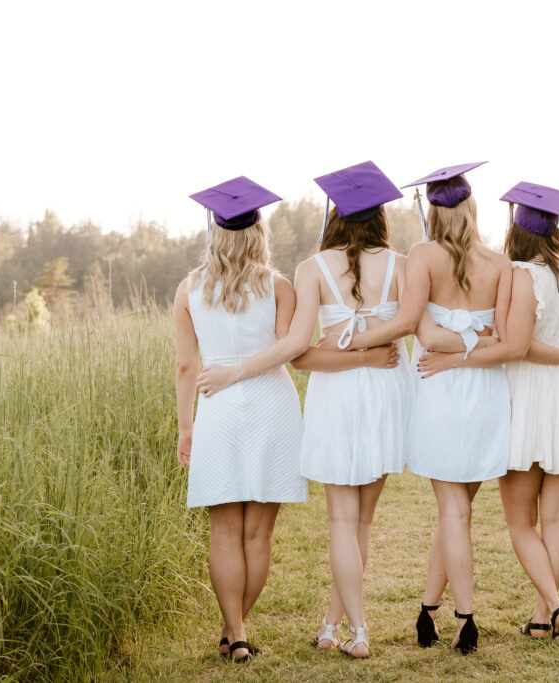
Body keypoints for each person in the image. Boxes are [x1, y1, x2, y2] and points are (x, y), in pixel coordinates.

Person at [197, 161, 412, 659]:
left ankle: (350, 628)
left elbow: (299, 354)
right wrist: (372, 352)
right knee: (362, 524)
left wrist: (347, 350)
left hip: (335, 395)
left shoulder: (311, 269)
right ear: (381, 214)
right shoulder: (402, 265)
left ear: (334, 214)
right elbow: (410, 326)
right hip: (385, 392)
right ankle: (335, 625)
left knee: (342, 520)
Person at [417, 181, 559, 644]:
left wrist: (451, 356)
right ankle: (542, 617)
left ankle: (557, 606)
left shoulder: (522, 275)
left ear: (516, 229)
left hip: (526, 405)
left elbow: (514, 344)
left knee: (520, 522)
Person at [342, 162, 508, 655]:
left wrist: (355, 340)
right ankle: (428, 611)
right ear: (472, 209)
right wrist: (474, 338)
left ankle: (466, 620)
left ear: (433, 213)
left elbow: (414, 325)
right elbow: (500, 334)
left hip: (438, 386)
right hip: (486, 391)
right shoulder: (501, 265)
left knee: (454, 512)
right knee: (458, 512)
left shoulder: (422, 255)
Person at [174, 177, 308, 662]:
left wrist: (186, 427)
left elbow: (187, 366)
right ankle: (238, 632)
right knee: (259, 534)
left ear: (214, 232)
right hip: (271, 403)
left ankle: (236, 631)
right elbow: (285, 349)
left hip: (217, 409)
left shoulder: (189, 289)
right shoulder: (279, 286)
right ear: (258, 233)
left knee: (224, 531)